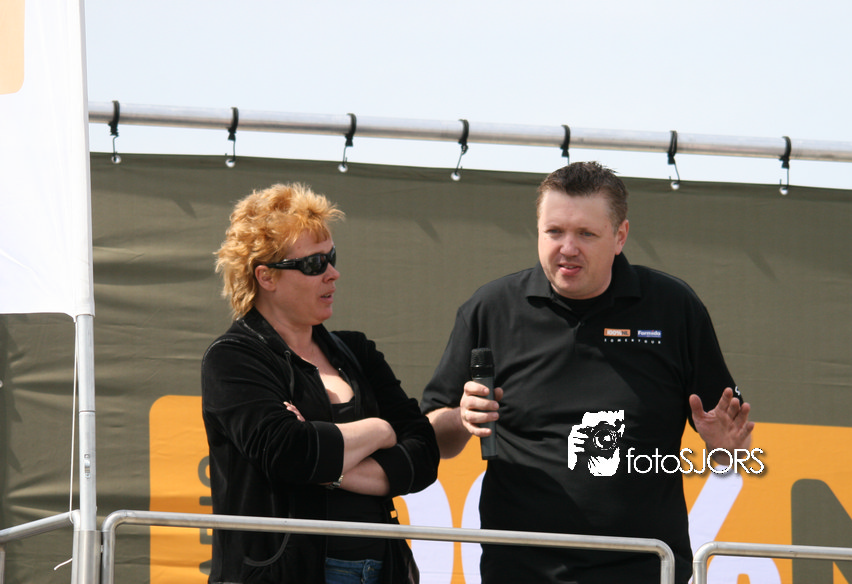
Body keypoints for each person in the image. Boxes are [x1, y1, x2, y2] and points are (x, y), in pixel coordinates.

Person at [421, 161, 754, 584]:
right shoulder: (491, 308)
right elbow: (433, 438)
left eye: (586, 234)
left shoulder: (673, 307)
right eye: (554, 231)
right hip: (521, 571)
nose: (568, 248)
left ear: (620, 236)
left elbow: (733, 448)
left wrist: (726, 448)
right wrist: (462, 418)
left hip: (644, 570)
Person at [202, 183, 439, 584]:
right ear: (266, 276)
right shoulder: (233, 357)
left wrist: (333, 466)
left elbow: (424, 455)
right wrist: (380, 430)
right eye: (313, 264)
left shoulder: (356, 351)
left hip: (381, 570)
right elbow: (289, 452)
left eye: (331, 257)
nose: (332, 273)